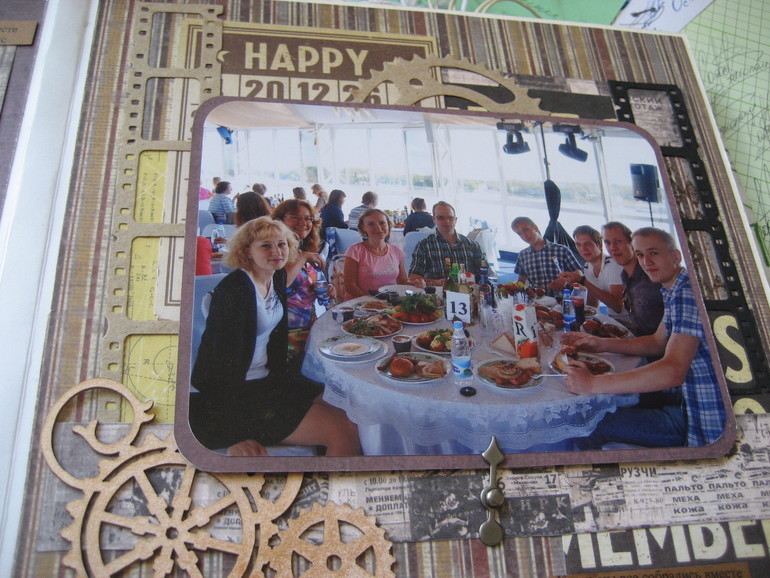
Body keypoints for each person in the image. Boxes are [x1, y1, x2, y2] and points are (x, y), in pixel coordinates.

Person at [189, 217, 361, 457]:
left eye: (282, 244)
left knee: (346, 405)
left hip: (270, 382)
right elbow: (212, 368)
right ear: (247, 251)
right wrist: (233, 435)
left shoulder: (274, 277)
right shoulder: (235, 290)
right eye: (266, 246)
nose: (277, 251)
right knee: (342, 432)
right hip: (237, 398)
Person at [562, 227, 726, 448]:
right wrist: (601, 344)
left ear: (676, 256)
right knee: (605, 403)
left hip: (695, 418)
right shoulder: (673, 288)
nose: (646, 262)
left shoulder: (687, 292)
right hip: (678, 397)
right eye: (640, 255)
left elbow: (673, 370)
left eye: (653, 253)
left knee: (584, 426)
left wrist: (592, 384)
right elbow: (656, 342)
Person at [273, 198, 328, 359]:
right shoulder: (274, 250)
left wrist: (323, 288)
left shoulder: (303, 248)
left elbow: (303, 286)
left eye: (308, 218)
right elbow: (281, 285)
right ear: (279, 220)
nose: (303, 223)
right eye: (295, 217)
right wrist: (303, 257)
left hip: (309, 327)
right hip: (285, 333)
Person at [344, 209, 425, 298]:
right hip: (360, 303)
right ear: (363, 227)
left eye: (382, 223)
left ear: (388, 225)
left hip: (389, 303)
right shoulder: (355, 251)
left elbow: (402, 281)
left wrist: (415, 283)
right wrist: (371, 302)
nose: (378, 228)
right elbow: (349, 287)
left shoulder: (396, 251)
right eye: (371, 224)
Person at [602, 221, 664, 336]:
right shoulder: (625, 276)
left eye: (618, 241)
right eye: (607, 242)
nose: (613, 248)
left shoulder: (652, 276)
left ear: (632, 243)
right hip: (639, 339)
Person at [408, 201, 487, 286]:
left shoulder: (473, 246)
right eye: (440, 218)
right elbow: (413, 277)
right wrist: (435, 282)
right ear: (434, 219)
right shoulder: (424, 245)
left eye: (450, 218)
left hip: (467, 291)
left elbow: (485, 274)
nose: (446, 221)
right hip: (438, 292)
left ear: (455, 220)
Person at [559, 225, 623, 313]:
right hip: (611, 318)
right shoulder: (587, 267)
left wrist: (583, 281)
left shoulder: (613, 264)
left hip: (628, 320)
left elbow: (618, 307)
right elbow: (593, 303)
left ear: (599, 245)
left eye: (588, 244)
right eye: (578, 245)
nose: (583, 249)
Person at [511, 216, 581, 296]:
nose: (524, 235)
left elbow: (579, 273)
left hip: (561, 299)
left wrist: (565, 280)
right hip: (536, 300)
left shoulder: (561, 250)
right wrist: (511, 288)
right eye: (519, 233)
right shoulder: (522, 255)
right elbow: (521, 281)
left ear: (536, 228)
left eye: (526, 230)